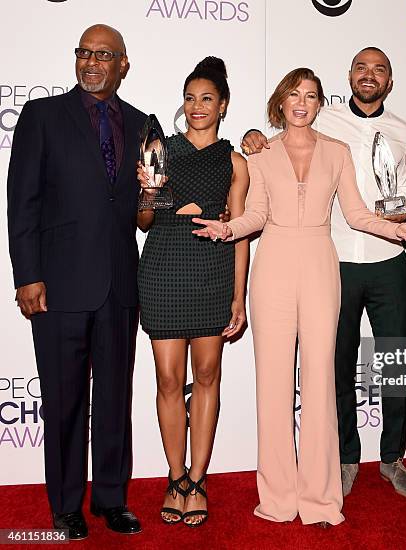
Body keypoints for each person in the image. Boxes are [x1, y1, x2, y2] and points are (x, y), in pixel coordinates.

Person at [193, 68, 406, 527]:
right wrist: (227, 229)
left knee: (322, 381)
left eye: (311, 95)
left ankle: (321, 496)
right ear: (281, 102)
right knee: (273, 384)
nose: (302, 102)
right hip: (274, 268)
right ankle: (279, 497)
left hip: (321, 266)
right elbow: (257, 215)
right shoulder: (263, 153)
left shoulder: (337, 151)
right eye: (294, 94)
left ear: (320, 102)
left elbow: (357, 214)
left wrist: (399, 230)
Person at [241, 47, 406, 500]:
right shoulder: (324, 121)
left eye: (379, 69)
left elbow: (403, 192)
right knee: (334, 369)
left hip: (387, 256)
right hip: (335, 261)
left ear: (390, 81)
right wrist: (250, 137)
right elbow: (280, 138)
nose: (369, 75)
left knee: (397, 362)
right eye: (361, 67)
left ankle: (393, 458)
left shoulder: (405, 131)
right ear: (349, 76)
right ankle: (343, 459)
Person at [7, 24, 145, 539]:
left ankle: (111, 499)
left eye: (103, 55)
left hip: (119, 283)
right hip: (58, 285)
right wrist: (28, 275)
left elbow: (142, 204)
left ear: (123, 64)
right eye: (84, 53)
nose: (92, 62)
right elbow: (23, 201)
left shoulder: (140, 123)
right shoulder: (42, 116)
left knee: (114, 398)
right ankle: (65, 505)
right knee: (65, 399)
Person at [137, 57, 249, 527]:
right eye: (190, 98)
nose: (197, 107)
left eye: (206, 99)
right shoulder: (159, 149)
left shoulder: (235, 161)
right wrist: (147, 195)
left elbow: (240, 229)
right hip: (163, 269)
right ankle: (175, 476)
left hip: (212, 273)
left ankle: (198, 480)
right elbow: (144, 221)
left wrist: (239, 297)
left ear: (222, 105)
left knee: (206, 376)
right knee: (167, 380)